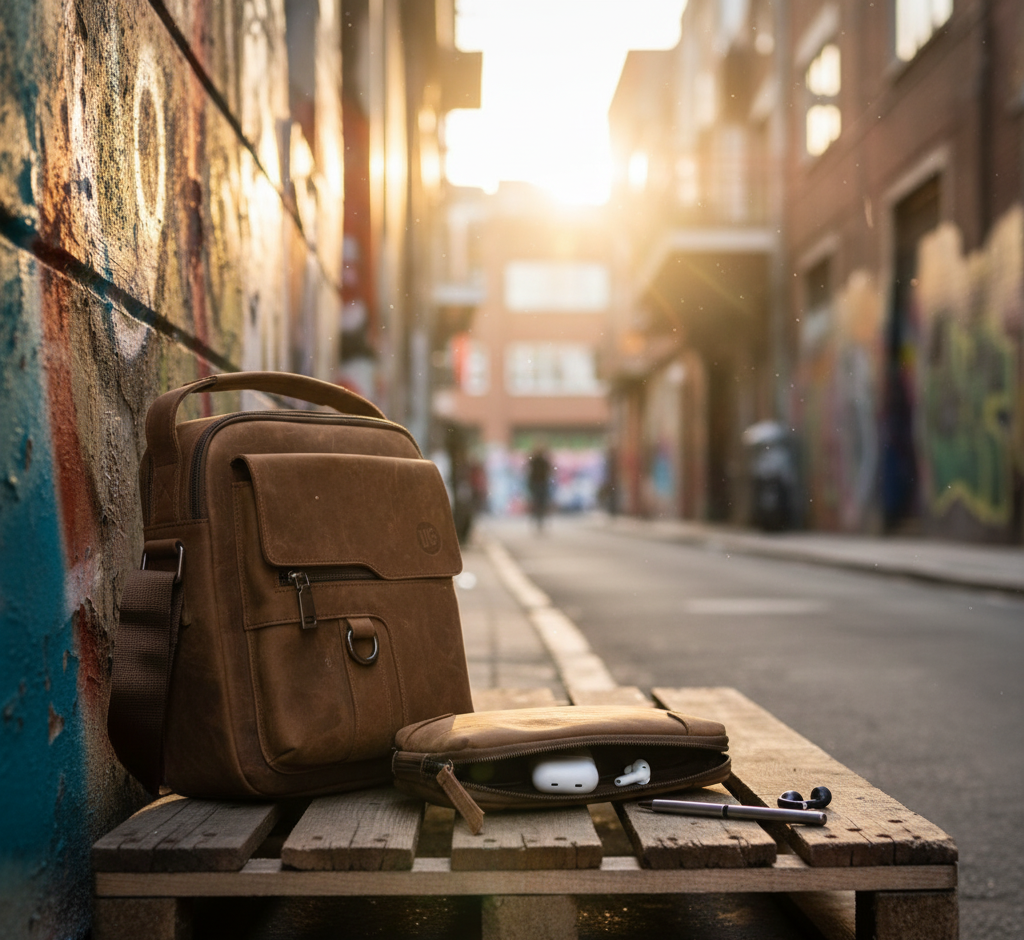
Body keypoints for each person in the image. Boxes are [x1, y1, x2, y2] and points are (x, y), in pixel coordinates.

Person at [526, 446, 552, 532]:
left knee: (537, 503)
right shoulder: (541, 461)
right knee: (540, 503)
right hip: (540, 484)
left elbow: (527, 469)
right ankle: (538, 520)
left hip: (538, 484)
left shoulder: (536, 460)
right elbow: (550, 470)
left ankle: (538, 520)